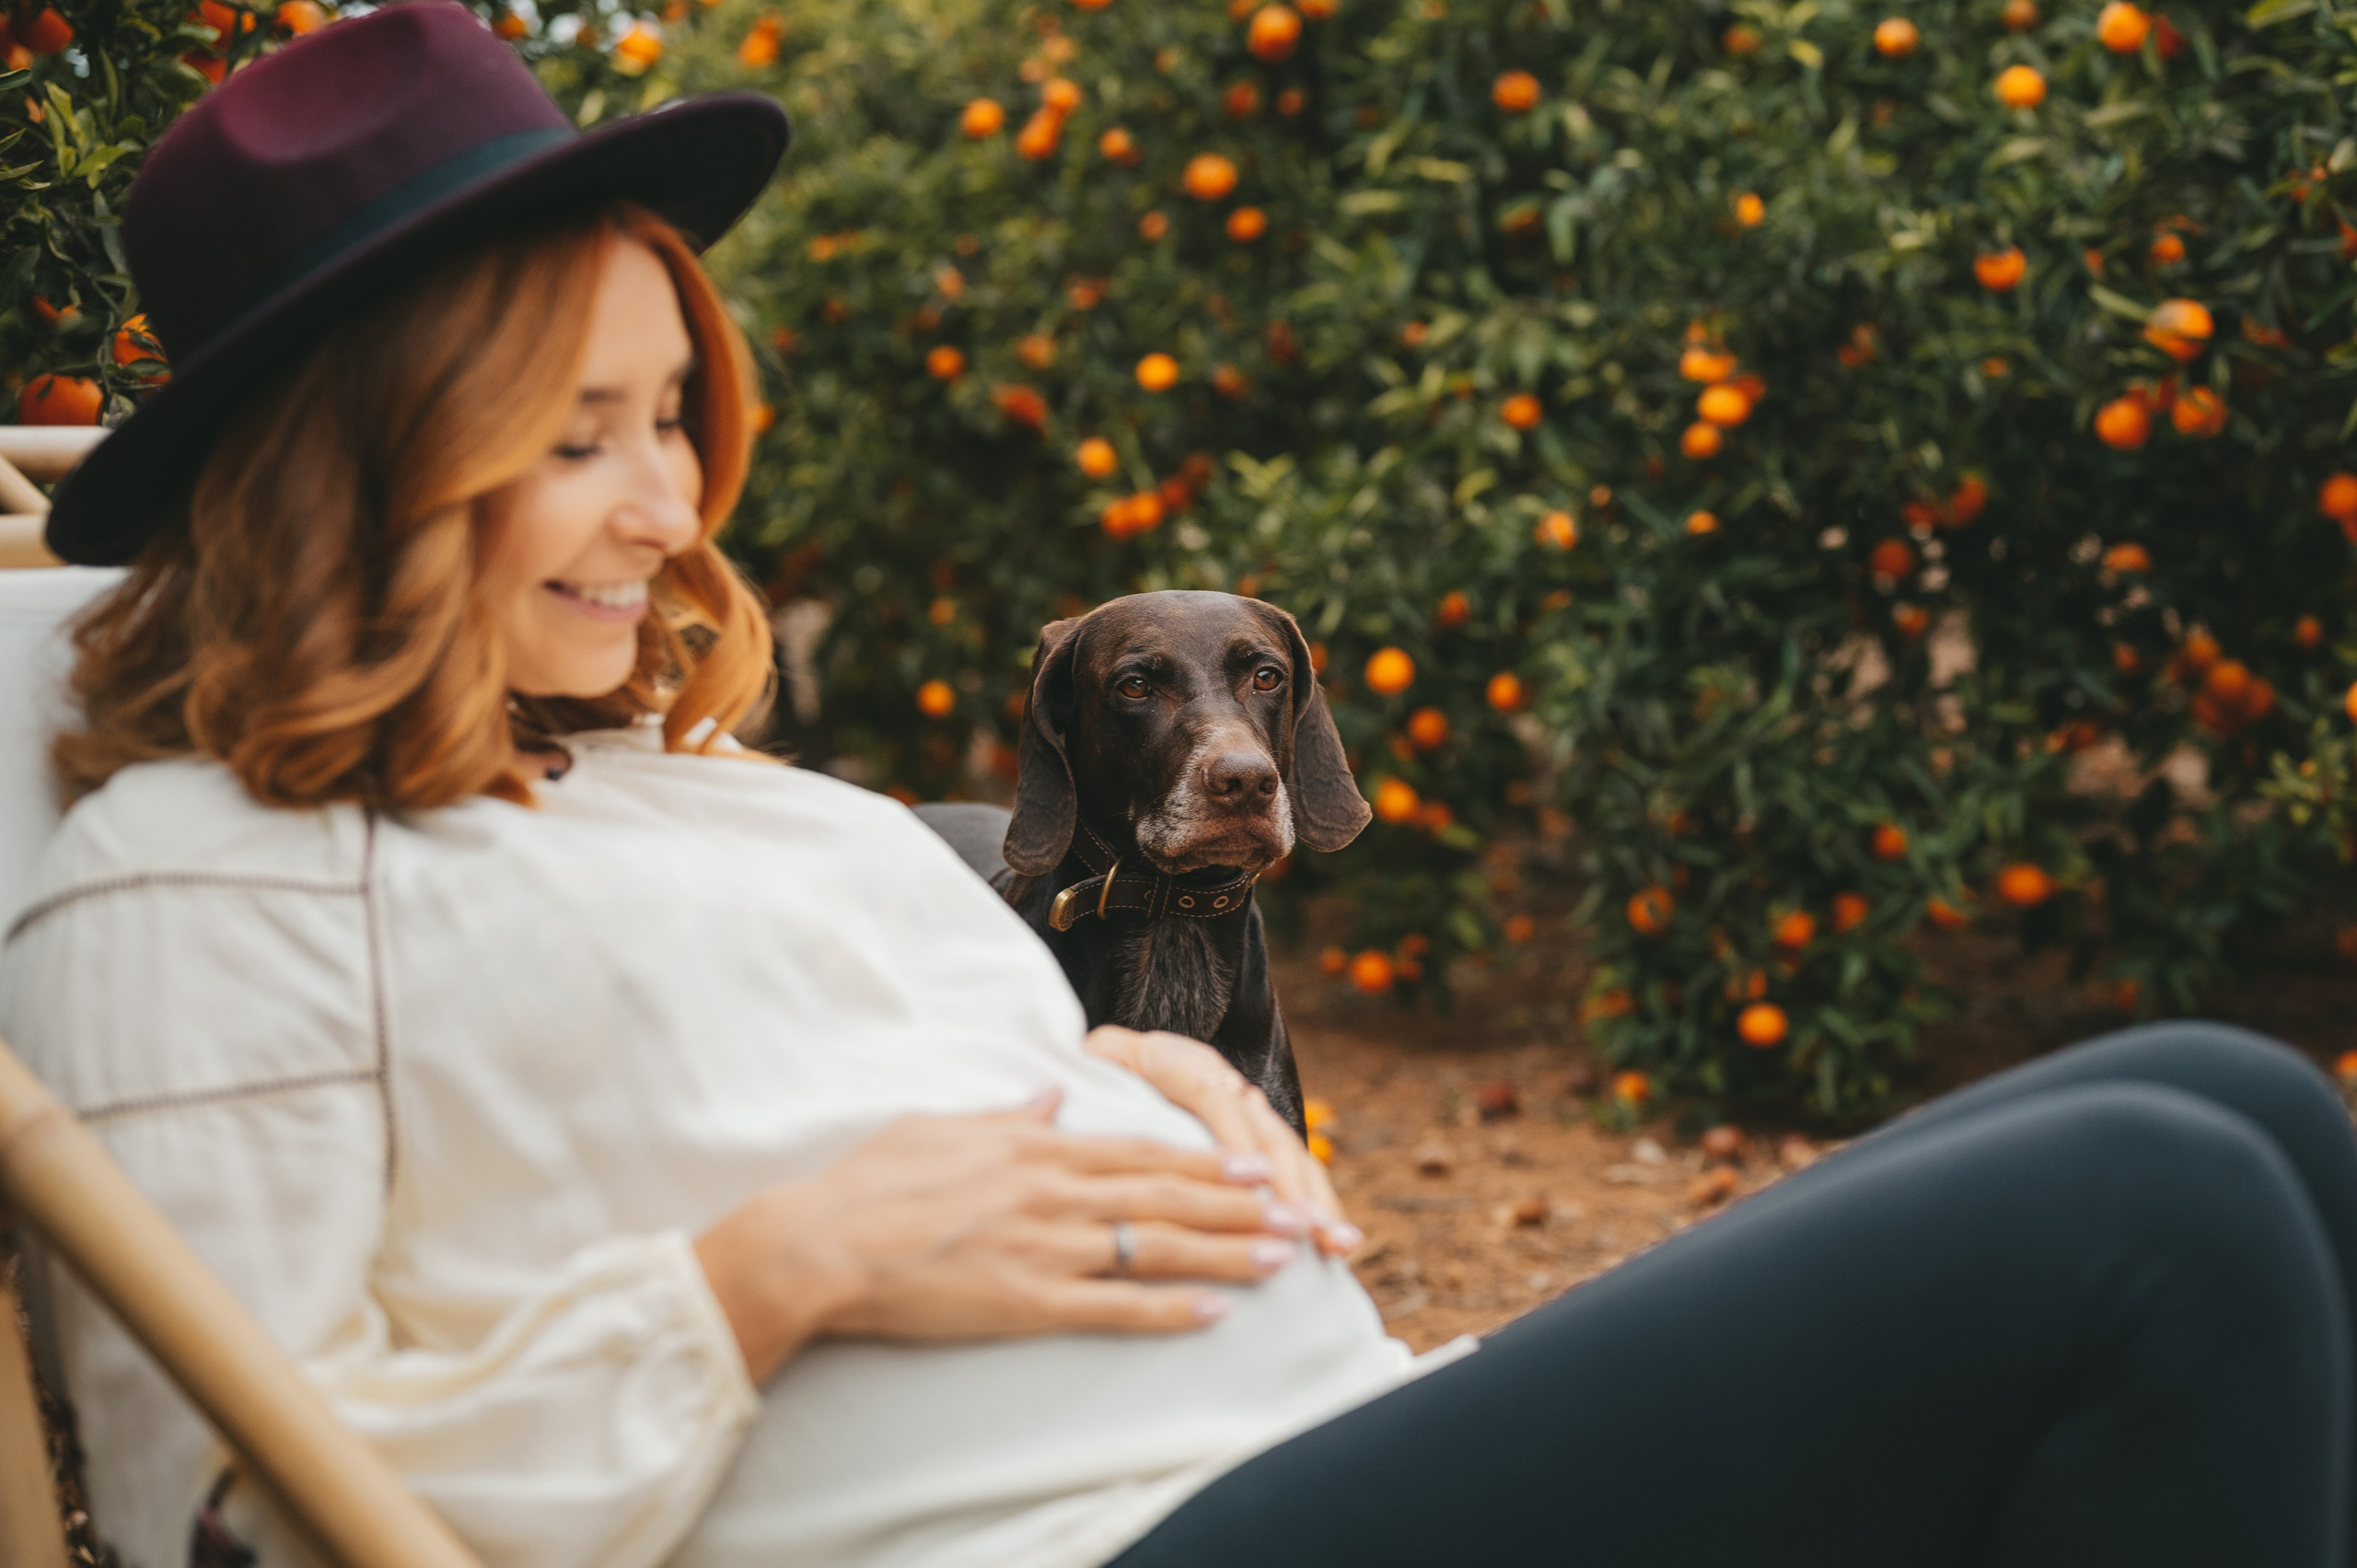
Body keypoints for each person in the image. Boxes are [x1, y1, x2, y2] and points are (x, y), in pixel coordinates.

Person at [3, 7, 2352, 1567]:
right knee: (2154, 1207)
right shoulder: (201, 888)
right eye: (575, 437)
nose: (668, 508)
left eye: (668, 419)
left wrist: (1105, 1066)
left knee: (2238, 1102)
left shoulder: (729, 805)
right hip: (1083, 1542)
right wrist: (775, 1268)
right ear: (357, 467)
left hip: (1313, 1437)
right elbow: (241, 1521)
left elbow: (887, 1065)